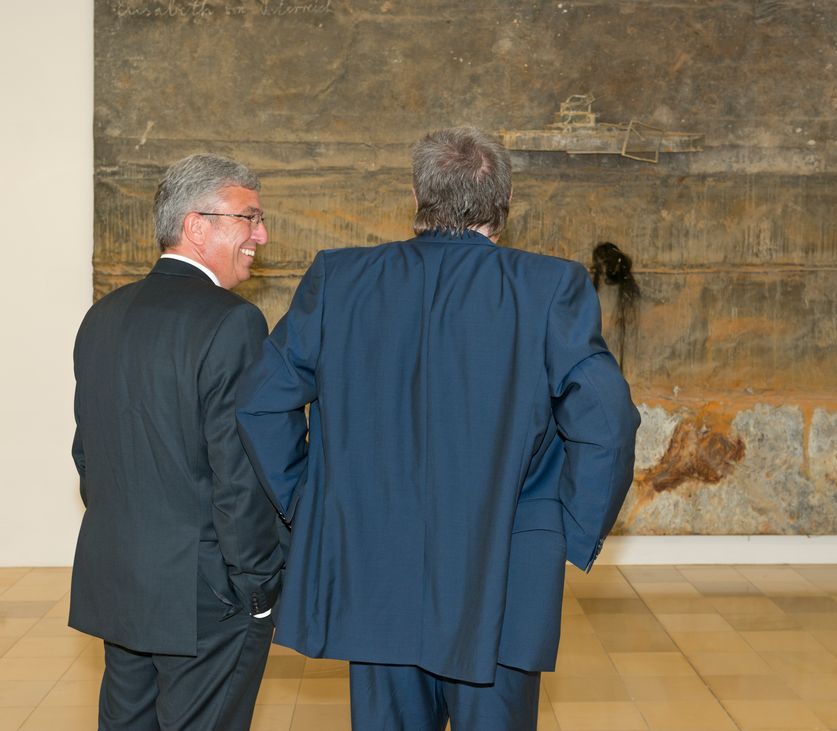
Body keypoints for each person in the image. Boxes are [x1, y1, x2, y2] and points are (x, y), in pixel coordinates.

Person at [236, 127, 640, 730]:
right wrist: (567, 530)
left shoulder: (340, 279)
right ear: (504, 205)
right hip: (500, 574)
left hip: (373, 570)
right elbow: (607, 420)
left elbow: (265, 402)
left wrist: (313, 501)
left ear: (418, 196)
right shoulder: (549, 287)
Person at [70, 153, 284, 730]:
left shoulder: (102, 317)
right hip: (205, 597)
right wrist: (259, 588)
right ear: (197, 225)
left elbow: (87, 456)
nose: (261, 235)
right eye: (249, 218)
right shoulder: (232, 322)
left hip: (121, 582)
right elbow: (239, 476)